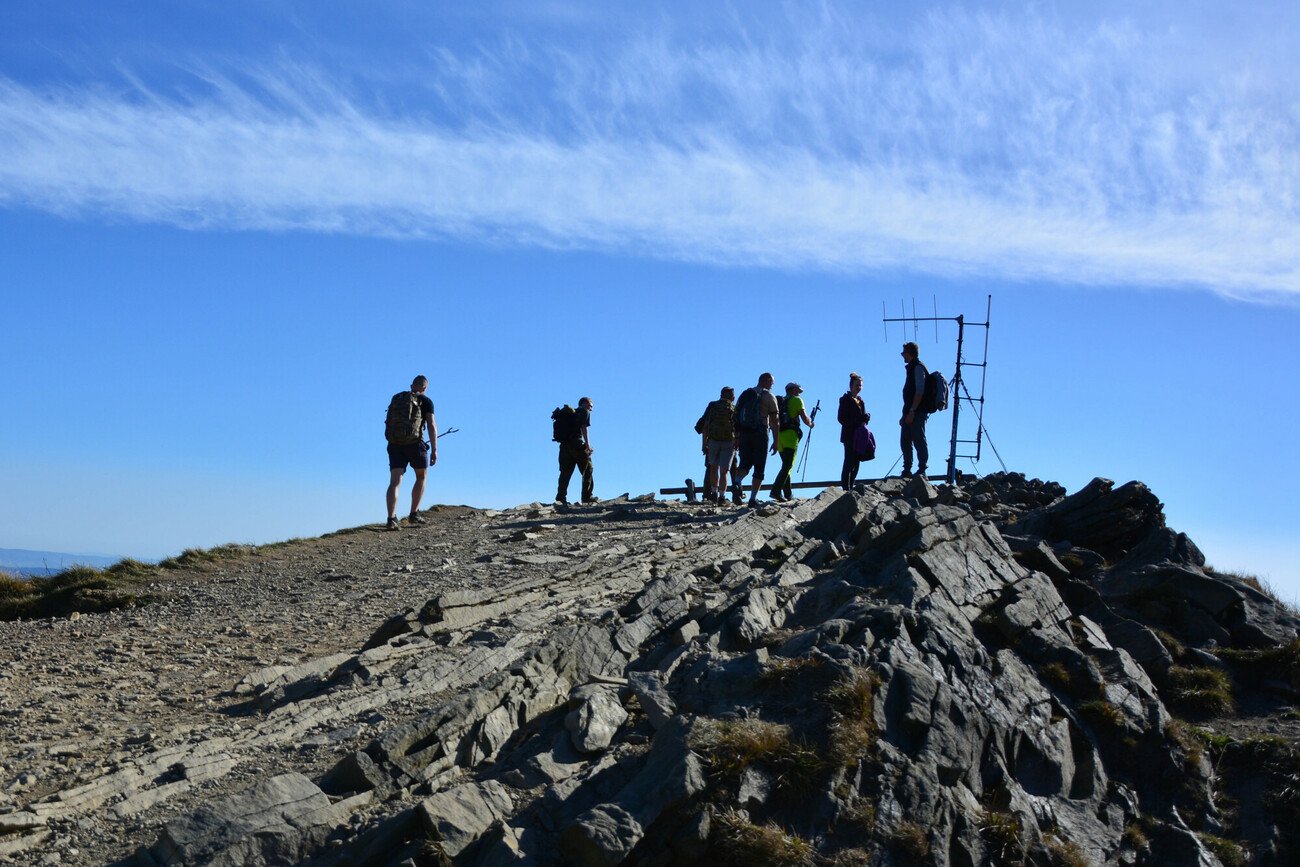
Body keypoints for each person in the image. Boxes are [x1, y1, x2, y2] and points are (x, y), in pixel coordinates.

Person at [385, 375, 437, 531]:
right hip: (415, 444)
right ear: (425, 388)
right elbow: (431, 425)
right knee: (421, 476)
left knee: (395, 481)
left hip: (395, 443)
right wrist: (434, 449)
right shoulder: (426, 401)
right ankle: (413, 514)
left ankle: (391, 519)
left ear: (412, 385)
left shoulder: (398, 398)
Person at [732, 372, 781, 507]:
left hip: (744, 434)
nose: (772, 385)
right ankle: (752, 499)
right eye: (772, 382)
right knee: (759, 467)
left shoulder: (745, 394)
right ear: (766, 380)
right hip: (760, 433)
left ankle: (737, 482)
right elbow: (775, 420)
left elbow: (736, 416)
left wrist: (736, 437)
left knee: (745, 463)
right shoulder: (768, 396)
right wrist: (776, 440)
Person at [770, 382, 814, 501]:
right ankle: (776, 491)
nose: (799, 393)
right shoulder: (797, 400)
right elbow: (804, 418)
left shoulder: (780, 401)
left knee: (785, 464)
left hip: (778, 435)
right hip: (790, 435)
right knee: (788, 465)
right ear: (793, 390)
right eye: (798, 391)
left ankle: (788, 494)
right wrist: (811, 424)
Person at [700, 387, 737, 506]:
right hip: (728, 442)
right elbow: (737, 427)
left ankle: (714, 493)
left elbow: (706, 425)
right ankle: (722, 496)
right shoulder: (734, 408)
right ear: (731, 396)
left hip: (713, 441)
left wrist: (704, 443)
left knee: (713, 467)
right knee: (724, 471)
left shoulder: (713, 406)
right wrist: (738, 442)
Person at [556, 396, 596, 504]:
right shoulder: (584, 412)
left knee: (565, 473)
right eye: (590, 406)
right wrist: (588, 446)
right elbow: (584, 429)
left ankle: (560, 499)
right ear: (583, 403)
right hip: (577, 444)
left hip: (564, 446)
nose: (591, 409)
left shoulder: (569, 414)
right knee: (588, 469)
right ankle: (587, 497)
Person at [900, 342, 929, 478]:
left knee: (918, 439)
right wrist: (905, 414)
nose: (902, 356)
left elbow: (919, 391)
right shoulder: (912, 368)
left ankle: (922, 468)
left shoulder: (917, 368)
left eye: (903, 353)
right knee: (905, 440)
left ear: (909, 353)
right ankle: (907, 469)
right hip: (909, 411)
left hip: (917, 412)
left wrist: (912, 411)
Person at [838, 372, 869, 490]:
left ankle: (851, 486)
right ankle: (846, 488)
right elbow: (841, 418)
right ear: (851, 386)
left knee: (857, 462)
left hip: (860, 436)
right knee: (849, 461)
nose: (859, 387)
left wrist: (865, 419)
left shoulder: (861, 401)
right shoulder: (845, 399)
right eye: (857, 385)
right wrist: (858, 420)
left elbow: (863, 419)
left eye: (860, 385)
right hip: (849, 435)